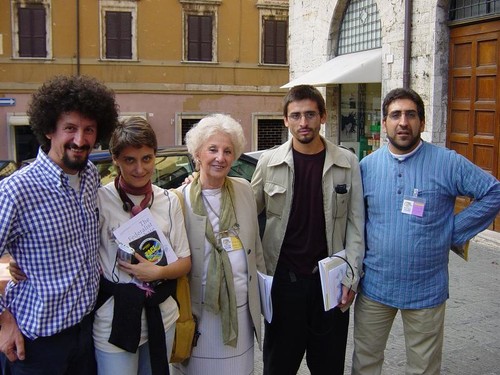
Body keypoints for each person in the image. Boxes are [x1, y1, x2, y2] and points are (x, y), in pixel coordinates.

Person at [351, 87, 500, 375]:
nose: (403, 122)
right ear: (385, 123)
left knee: (423, 369)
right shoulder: (367, 167)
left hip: (426, 289)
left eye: (411, 114)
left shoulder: (448, 162)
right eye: (395, 115)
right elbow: (357, 223)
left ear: (422, 121)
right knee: (365, 363)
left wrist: (454, 231)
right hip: (375, 288)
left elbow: (493, 192)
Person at [0, 75, 118, 375]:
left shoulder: (90, 174)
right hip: (37, 344)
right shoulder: (17, 190)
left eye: (88, 130)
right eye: (70, 128)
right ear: (49, 129)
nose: (80, 140)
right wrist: (4, 322)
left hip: (86, 334)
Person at [251, 84, 365, 375]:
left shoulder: (347, 163)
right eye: (296, 115)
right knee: (279, 367)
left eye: (311, 114)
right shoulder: (268, 163)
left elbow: (355, 225)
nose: (304, 123)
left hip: (330, 285)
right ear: (285, 120)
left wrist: (351, 277)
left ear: (323, 117)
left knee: (328, 367)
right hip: (283, 286)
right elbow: (246, 213)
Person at [93, 117, 191, 375]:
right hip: (114, 319)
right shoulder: (99, 200)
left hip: (162, 316)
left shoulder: (169, 200)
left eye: (146, 158)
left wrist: (158, 273)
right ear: (115, 159)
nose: (139, 169)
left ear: (155, 156)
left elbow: (184, 261)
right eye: (129, 160)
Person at [171, 114, 265, 375]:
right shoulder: (179, 199)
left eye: (227, 151)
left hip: (241, 311)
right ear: (197, 154)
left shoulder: (244, 189)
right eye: (212, 149)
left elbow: (255, 249)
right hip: (201, 314)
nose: (220, 157)